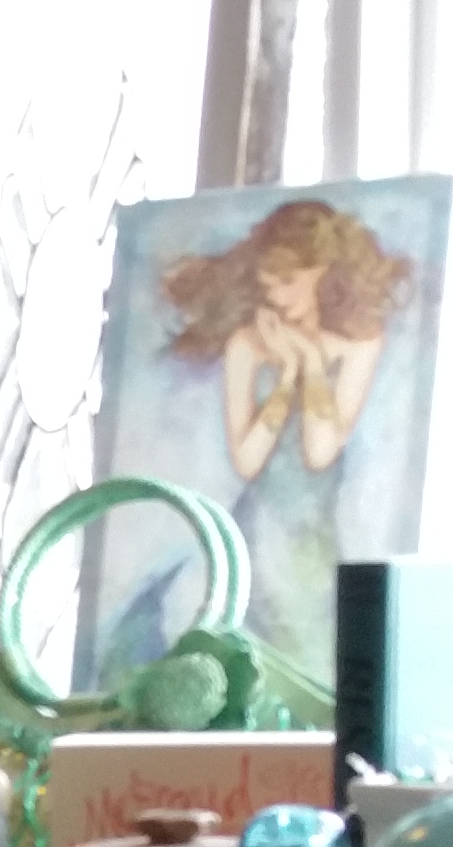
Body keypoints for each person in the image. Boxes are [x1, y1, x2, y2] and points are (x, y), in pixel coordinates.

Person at [147, 199, 415, 683]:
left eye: (289, 281)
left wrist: (310, 363)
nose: (277, 297)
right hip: (256, 537)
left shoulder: (359, 343)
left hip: (314, 539)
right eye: (269, 284)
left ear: (322, 272)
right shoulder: (249, 344)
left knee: (314, 657)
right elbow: (248, 462)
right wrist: (287, 378)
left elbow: (319, 452)